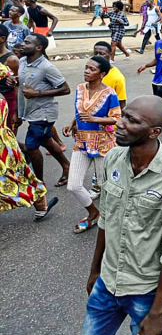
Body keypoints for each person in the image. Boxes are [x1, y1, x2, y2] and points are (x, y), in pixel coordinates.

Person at [80, 96, 162, 335]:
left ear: (154, 132)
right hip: (107, 282)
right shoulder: (113, 158)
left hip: (146, 291)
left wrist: (157, 312)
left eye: (132, 120)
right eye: (124, 115)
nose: (120, 123)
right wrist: (95, 270)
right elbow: (105, 219)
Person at [62, 57, 120, 232]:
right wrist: (71, 124)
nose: (86, 71)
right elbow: (81, 111)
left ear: (102, 74)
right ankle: (94, 213)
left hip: (103, 144)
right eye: (86, 67)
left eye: (92, 69)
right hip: (82, 142)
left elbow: (117, 118)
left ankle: (113, 218)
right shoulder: (80, 88)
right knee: (73, 185)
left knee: (106, 186)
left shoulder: (110, 93)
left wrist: (96, 119)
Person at [0, 63, 57, 218]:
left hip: (3, 146)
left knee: (11, 177)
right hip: (5, 142)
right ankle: (40, 202)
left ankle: (39, 201)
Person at [18, 34, 71, 187]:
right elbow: (24, 80)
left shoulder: (47, 67)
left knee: (31, 147)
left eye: (27, 42)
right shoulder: (23, 61)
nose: (22, 44)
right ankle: (67, 167)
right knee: (47, 140)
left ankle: (39, 183)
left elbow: (65, 89)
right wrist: (15, 79)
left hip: (44, 114)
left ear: (38, 48)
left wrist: (38, 93)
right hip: (30, 111)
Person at [93, 42, 127, 109]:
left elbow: (121, 103)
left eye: (102, 54)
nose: (98, 56)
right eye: (95, 53)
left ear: (110, 54)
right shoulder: (93, 71)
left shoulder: (117, 77)